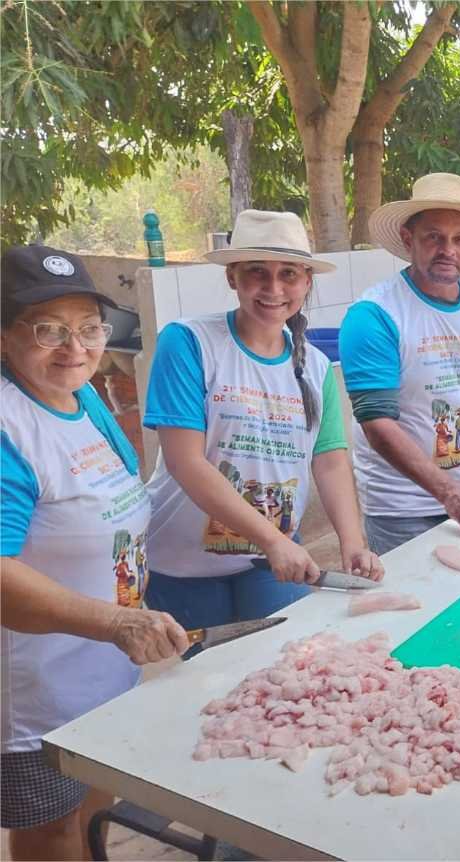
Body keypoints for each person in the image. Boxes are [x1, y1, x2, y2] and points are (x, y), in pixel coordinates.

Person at [0, 246, 188, 859]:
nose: (74, 348)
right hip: (37, 688)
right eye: (48, 329)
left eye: (87, 328)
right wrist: (114, 620)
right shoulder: (9, 423)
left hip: (107, 666)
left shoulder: (84, 401)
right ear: (4, 335)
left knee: (93, 806)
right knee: (51, 831)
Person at [143, 210, 382, 634]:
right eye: (257, 272)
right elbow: (186, 462)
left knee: (284, 662)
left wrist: (353, 542)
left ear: (307, 281)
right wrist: (273, 540)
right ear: (232, 277)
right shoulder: (189, 343)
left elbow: (329, 460)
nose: (274, 289)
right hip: (185, 562)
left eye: (289, 274)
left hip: (272, 561)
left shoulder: (317, 367)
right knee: (206, 682)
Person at [340, 173, 460, 552]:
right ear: (409, 240)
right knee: (414, 608)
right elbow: (377, 423)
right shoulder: (374, 314)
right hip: (401, 510)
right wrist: (447, 491)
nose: (448, 250)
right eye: (433, 237)